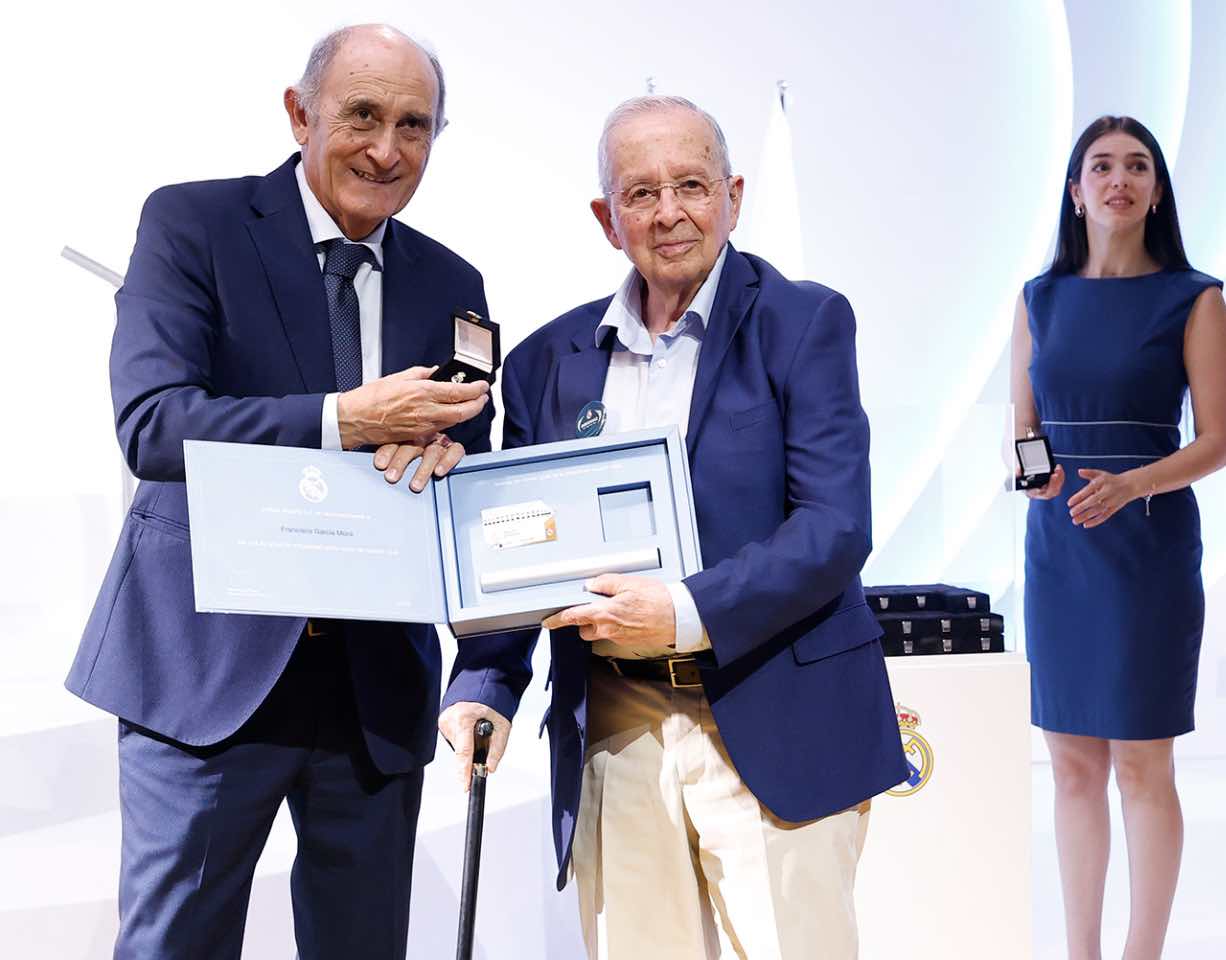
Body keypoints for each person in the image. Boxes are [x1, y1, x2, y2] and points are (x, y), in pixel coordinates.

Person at [436, 95, 907, 959]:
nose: (669, 212)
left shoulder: (803, 323)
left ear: (733, 196)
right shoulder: (544, 362)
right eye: (641, 193)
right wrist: (485, 683)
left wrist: (685, 611)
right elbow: (517, 540)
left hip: (774, 713)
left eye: (691, 185)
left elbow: (835, 526)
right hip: (614, 723)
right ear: (606, 219)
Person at [66, 24, 493, 960]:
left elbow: (466, 451)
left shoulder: (453, 283)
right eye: (363, 115)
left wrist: (448, 459)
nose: (387, 150)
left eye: (414, 126)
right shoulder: (194, 225)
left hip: (373, 692)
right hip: (206, 676)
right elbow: (154, 424)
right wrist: (347, 419)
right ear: (301, 115)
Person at [1012, 115, 1226, 960]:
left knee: (1142, 764)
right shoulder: (1038, 298)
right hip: (1060, 548)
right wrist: (1034, 475)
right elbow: (1025, 429)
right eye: (1101, 166)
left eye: (1138, 166)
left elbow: (1217, 439)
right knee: (1071, 766)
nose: (1119, 180)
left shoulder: (1194, 298)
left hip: (1146, 550)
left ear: (1157, 191)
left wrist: (1133, 483)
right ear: (1076, 192)